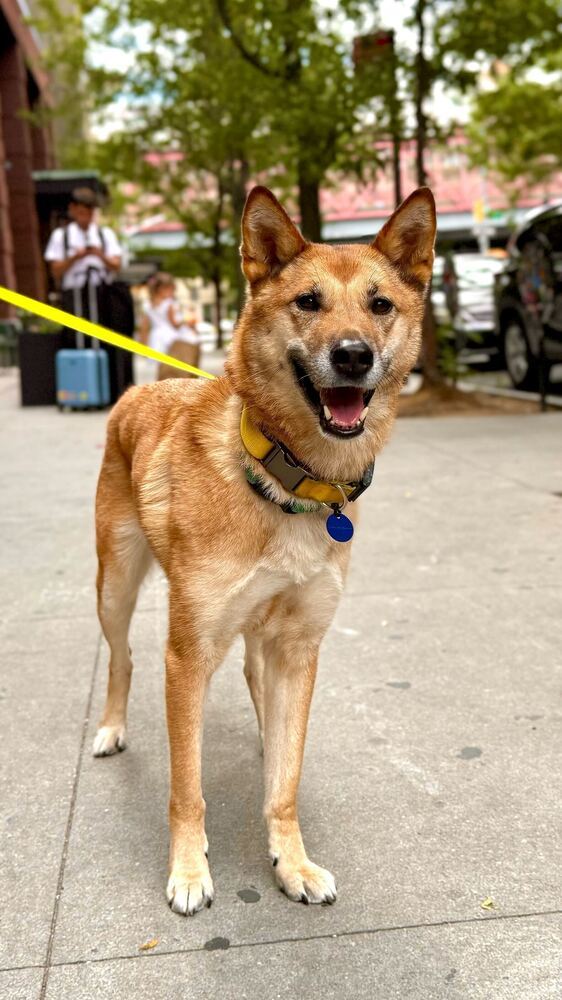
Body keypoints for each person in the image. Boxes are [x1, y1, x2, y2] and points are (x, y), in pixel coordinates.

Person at [44, 187, 134, 400]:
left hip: (103, 295)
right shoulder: (61, 235)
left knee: (107, 340)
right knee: (75, 339)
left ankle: (110, 391)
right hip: (74, 294)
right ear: (73, 210)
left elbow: (116, 264)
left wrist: (98, 255)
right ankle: (79, 390)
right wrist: (76, 257)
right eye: (83, 211)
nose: (87, 217)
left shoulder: (104, 234)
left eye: (91, 212)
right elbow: (55, 270)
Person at [139, 273, 200, 380]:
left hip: (156, 337)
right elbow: (174, 324)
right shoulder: (169, 303)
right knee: (175, 363)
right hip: (169, 336)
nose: (172, 293)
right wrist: (186, 321)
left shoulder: (148, 305)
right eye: (171, 290)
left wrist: (143, 343)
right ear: (162, 289)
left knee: (162, 365)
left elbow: (144, 327)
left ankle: (162, 382)